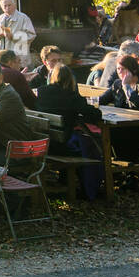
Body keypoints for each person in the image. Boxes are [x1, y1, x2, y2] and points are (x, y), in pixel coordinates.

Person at [36, 65, 104, 199]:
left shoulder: (42, 91)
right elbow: (96, 114)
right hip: (62, 146)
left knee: (81, 141)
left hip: (45, 143)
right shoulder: (71, 96)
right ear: (71, 79)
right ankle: (91, 190)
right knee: (91, 148)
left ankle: (70, 181)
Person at [0, 0, 37, 68]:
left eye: (9, 5)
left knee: (19, 73)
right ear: (1, 7)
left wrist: (13, 37)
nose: (7, 7)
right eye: (5, 6)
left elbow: (32, 35)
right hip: (4, 56)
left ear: (14, 5)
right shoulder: (1, 18)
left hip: (19, 54)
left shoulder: (23, 17)